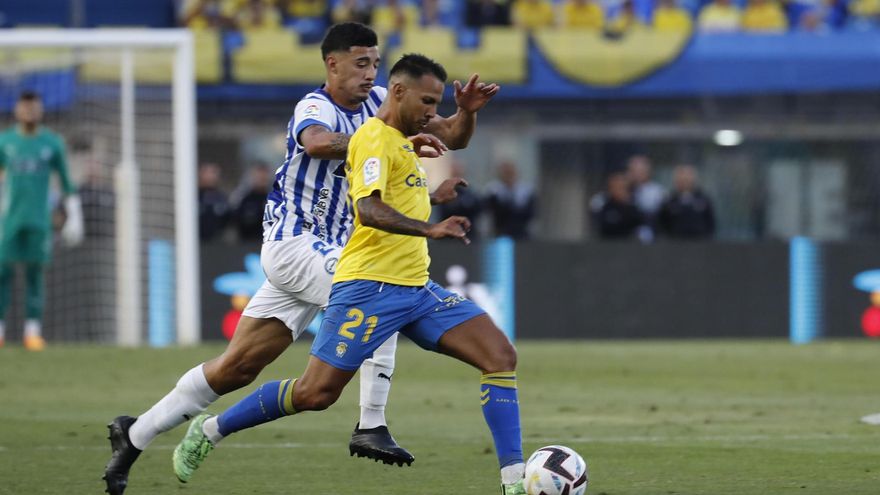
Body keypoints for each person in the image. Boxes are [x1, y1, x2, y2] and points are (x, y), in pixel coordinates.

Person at [102, 22, 499, 495]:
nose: (369, 73)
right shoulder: (315, 107)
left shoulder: (382, 106)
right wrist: (385, 144)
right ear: (332, 65)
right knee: (385, 289)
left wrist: (466, 113)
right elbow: (315, 143)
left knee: (237, 368)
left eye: (374, 63)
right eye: (359, 63)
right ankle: (371, 424)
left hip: (337, 252)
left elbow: (454, 136)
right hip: (295, 244)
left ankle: (135, 434)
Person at [0, 90, 83, 351]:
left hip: (39, 220)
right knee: (2, 272)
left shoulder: (52, 143)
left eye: (34, 108)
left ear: (41, 110)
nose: (30, 112)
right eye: (25, 107)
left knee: (35, 274)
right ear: (17, 110)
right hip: (9, 220)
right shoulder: (5, 142)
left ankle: (32, 332)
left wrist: (75, 216)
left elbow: (67, 182)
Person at [658, 164, 716, 239]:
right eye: (682, 178)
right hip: (675, 245)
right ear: (676, 180)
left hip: (700, 244)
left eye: (688, 177)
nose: (685, 180)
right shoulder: (669, 201)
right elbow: (662, 223)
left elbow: (710, 223)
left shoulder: (704, 200)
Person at [485, 161, 536, 239]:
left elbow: (531, 213)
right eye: (506, 173)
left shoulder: (526, 191)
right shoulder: (494, 191)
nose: (509, 176)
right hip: (500, 231)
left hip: (521, 232)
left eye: (511, 173)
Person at [231, 163, 272, 241]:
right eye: (259, 176)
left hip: (269, 242)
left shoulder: (275, 199)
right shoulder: (243, 198)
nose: (262, 178)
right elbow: (235, 220)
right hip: (247, 243)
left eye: (264, 176)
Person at [197, 162, 231, 241]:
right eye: (207, 172)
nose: (211, 176)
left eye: (214, 172)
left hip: (217, 244)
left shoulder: (222, 198)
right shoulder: (191, 197)